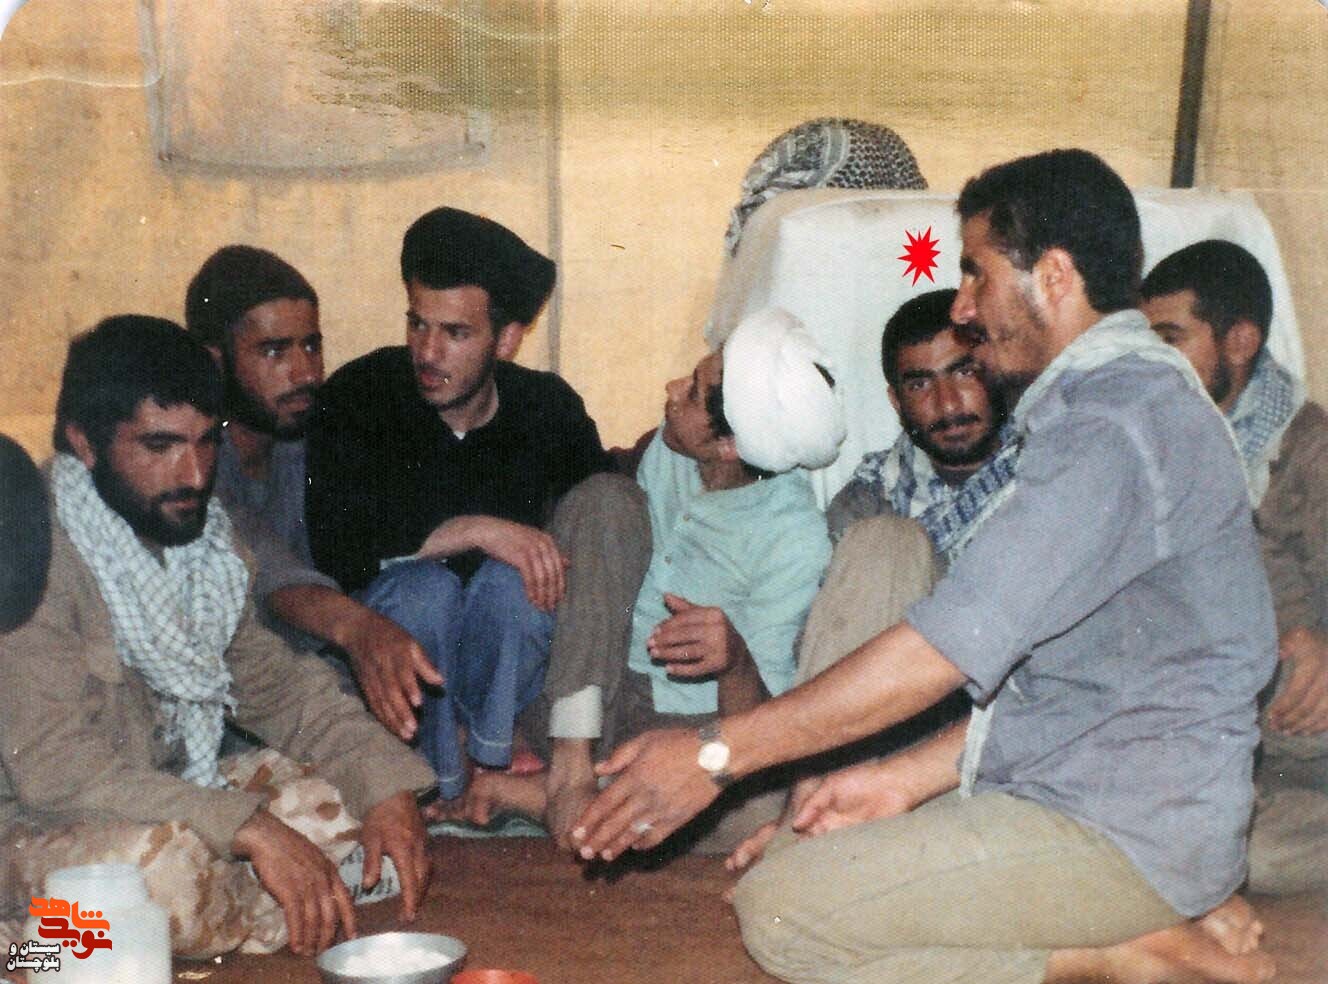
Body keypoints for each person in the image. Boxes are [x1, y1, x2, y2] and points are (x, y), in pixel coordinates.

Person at [570, 149, 1279, 984]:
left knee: (785, 916)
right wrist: (897, 779)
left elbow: (940, 651)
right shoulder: (1113, 405)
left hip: (1125, 828)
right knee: (808, 844)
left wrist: (714, 754)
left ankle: (1110, 956)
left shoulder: (1115, 429)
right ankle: (1139, 923)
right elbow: (1061, 690)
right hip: (1084, 790)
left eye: (977, 274)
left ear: (1054, 277)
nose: (964, 305)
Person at [0, 316, 437, 959]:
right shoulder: (30, 549)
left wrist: (386, 786)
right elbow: (58, 772)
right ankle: (35, 947)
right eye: (160, 446)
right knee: (163, 878)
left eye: (206, 443)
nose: (194, 474)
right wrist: (248, 828)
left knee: (347, 807)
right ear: (85, 445)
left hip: (167, 788)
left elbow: (283, 690)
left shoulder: (203, 548)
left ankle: (217, 911)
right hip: (36, 819)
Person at [456, 308, 844, 853]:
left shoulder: (795, 539)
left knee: (745, 809)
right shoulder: (668, 450)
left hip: (680, 728)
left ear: (728, 447)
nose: (671, 388)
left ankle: (553, 797)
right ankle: (570, 772)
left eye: (693, 393)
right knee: (605, 498)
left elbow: (762, 724)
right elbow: (595, 552)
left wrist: (734, 657)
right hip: (585, 700)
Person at [305, 207, 611, 807]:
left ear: (507, 339)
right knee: (426, 591)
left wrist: (527, 554)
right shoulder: (359, 395)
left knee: (512, 584)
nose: (428, 352)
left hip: (507, 665)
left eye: (456, 333)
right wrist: (475, 529)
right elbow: (335, 551)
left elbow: (600, 525)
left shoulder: (548, 409)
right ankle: (440, 777)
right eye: (417, 324)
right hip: (401, 658)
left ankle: (490, 755)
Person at [185, 245, 441, 741]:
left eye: (311, 346)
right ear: (215, 361)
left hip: (332, 688)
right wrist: (358, 628)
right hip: (241, 709)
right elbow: (266, 563)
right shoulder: (191, 460)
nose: (305, 373)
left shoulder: (322, 438)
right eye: (274, 352)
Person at [1141, 239, 1328, 895]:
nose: (1153, 362)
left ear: (1240, 341)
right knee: (1249, 853)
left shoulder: (1308, 450)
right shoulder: (1154, 435)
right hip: (1223, 726)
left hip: (1291, 712)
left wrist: (1320, 641)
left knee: (1254, 857)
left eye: (1171, 339)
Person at [826, 287, 1014, 552]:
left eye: (964, 373)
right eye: (920, 385)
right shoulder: (864, 507)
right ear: (897, 402)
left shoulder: (1049, 466)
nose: (947, 404)